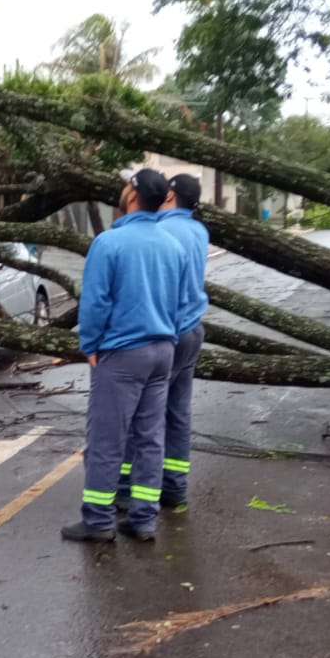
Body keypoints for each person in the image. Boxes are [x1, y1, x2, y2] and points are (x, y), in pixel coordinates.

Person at [63, 169, 190, 543]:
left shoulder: (109, 243)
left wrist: (90, 346)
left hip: (121, 354)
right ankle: (143, 519)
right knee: (150, 436)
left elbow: (95, 303)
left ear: (132, 195)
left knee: (107, 439)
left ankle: (99, 521)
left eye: (124, 186)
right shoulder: (174, 245)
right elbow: (183, 305)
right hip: (163, 350)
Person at [116, 173, 209, 512]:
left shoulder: (163, 231)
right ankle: (174, 487)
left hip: (168, 333)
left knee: (142, 415)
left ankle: (127, 489)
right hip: (193, 331)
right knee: (178, 413)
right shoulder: (198, 230)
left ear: (169, 196)